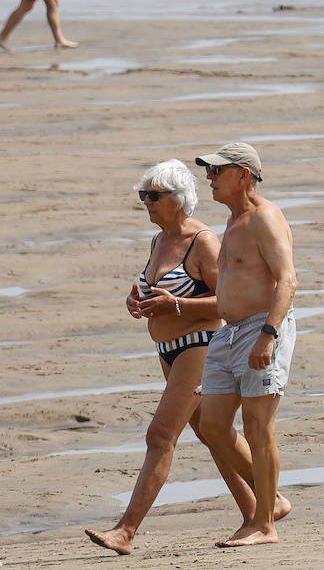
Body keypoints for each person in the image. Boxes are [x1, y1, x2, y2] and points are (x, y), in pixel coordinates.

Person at [85, 160, 288, 556]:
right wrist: (139, 301)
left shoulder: (204, 241)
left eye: (155, 195)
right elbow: (159, 292)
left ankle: (126, 531)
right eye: (143, 195)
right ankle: (259, 509)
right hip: (167, 351)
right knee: (211, 435)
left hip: (200, 346)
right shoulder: (159, 240)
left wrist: (175, 303)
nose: (147, 202)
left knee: (160, 436)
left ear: (178, 200)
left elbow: (224, 303)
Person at [192, 142, 298, 548]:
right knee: (212, 425)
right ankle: (273, 502)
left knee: (257, 427)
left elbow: (288, 280)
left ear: (245, 176)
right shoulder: (233, 222)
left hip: (261, 329)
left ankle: (264, 524)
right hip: (229, 333)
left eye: (218, 171)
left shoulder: (264, 218)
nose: (210, 178)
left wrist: (268, 335)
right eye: (210, 171)